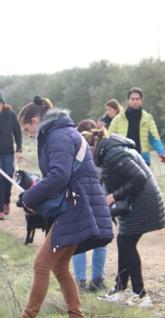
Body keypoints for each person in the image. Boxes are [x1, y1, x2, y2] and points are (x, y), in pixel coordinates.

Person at [0, 97, 113, 318]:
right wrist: (33, 198)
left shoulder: (58, 136)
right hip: (78, 203)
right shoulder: (62, 133)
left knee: (42, 265)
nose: (28, 134)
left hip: (77, 206)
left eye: (27, 128)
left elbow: (59, 176)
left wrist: (30, 198)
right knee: (59, 267)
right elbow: (61, 177)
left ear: (36, 120)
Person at [94, 133, 165, 307]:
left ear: (94, 147)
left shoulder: (114, 154)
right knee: (124, 242)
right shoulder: (114, 151)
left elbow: (139, 177)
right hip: (137, 202)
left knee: (127, 243)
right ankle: (120, 289)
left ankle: (140, 294)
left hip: (143, 202)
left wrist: (115, 196)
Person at [72, 119, 108, 292]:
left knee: (79, 243)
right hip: (102, 205)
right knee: (100, 242)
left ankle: (80, 281)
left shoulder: (77, 159)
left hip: (80, 204)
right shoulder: (104, 157)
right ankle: (98, 279)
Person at [0, 89, 23, 220]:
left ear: (3, 103)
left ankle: (6, 201)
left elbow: (17, 132)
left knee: (8, 177)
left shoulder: (10, 114)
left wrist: (19, 149)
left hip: (8, 151)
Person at [109, 87, 165, 166]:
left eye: (137, 99)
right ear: (128, 100)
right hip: (123, 158)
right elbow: (110, 137)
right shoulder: (118, 119)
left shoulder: (148, 118)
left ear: (141, 101)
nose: (135, 101)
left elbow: (154, 138)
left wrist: (161, 152)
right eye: (132, 99)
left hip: (142, 159)